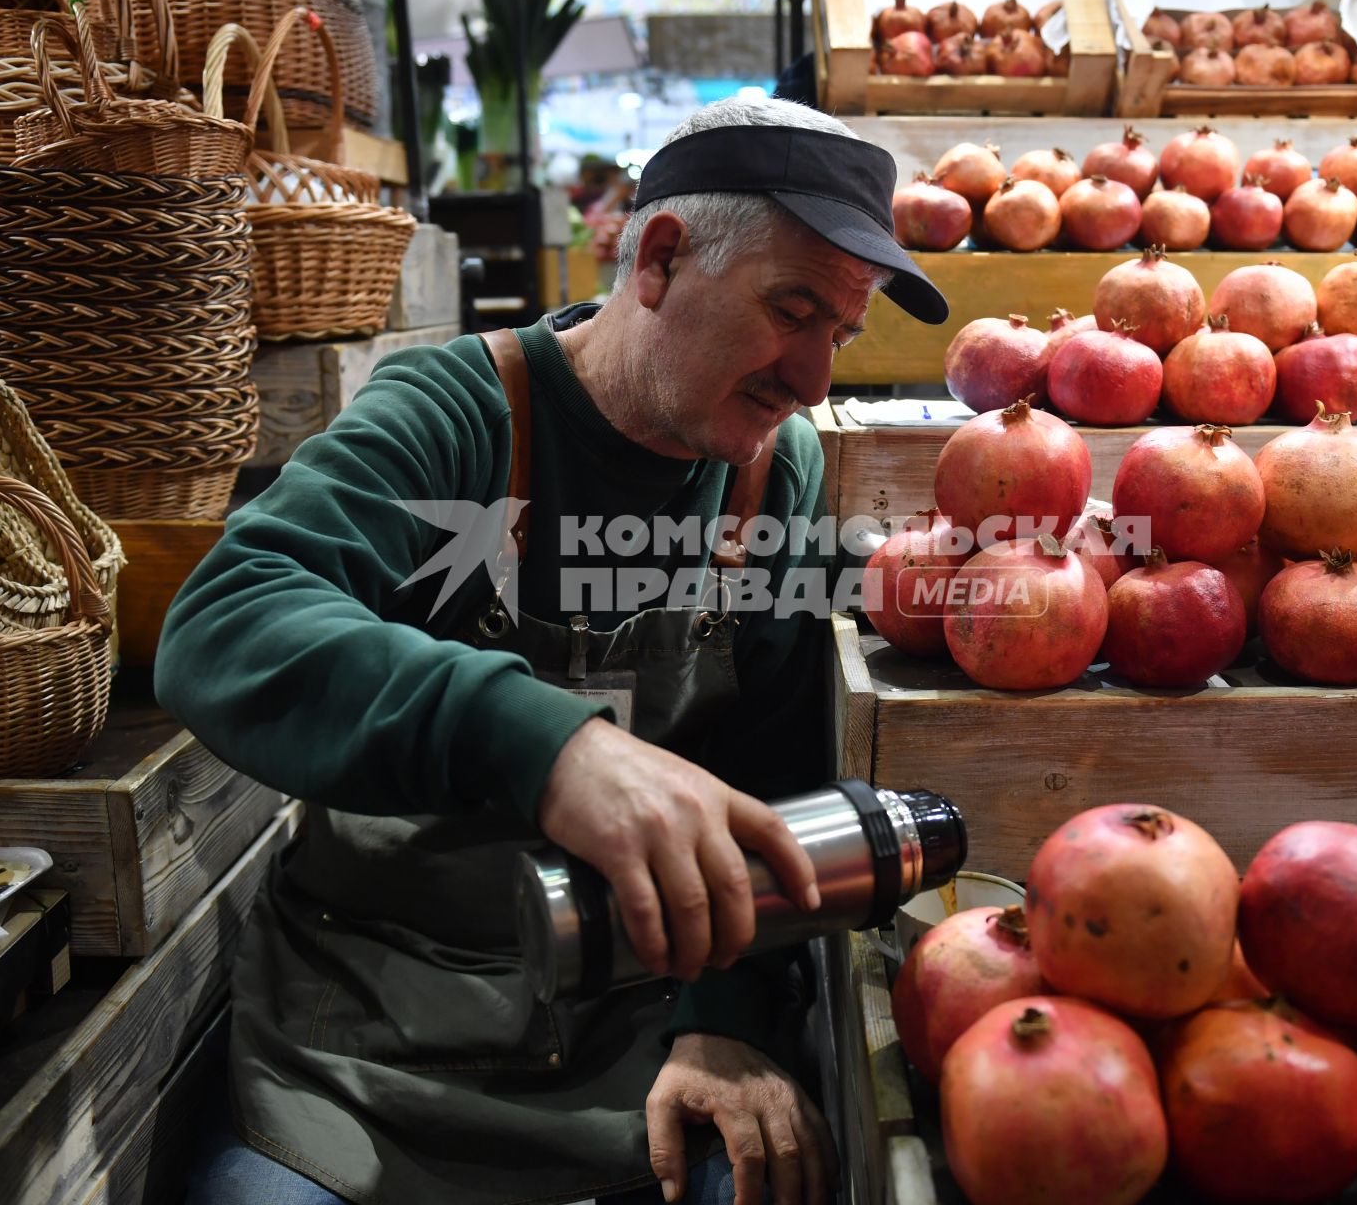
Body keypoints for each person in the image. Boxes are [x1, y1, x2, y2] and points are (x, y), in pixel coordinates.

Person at [156, 95, 948, 1205]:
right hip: (367, 1047)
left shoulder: (773, 472)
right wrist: (549, 745)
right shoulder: (457, 415)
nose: (814, 374)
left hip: (637, 1048)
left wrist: (721, 1020)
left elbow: (773, 771)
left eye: (842, 331)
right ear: (661, 257)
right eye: (791, 308)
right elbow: (228, 616)